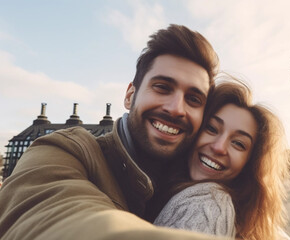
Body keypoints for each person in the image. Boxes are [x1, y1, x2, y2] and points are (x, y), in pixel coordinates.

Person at [0, 24, 227, 240]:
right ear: (129, 96)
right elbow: (51, 218)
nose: (176, 108)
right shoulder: (66, 151)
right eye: (162, 88)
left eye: (194, 99)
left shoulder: (200, 185)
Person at [149, 80, 290, 239]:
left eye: (238, 144)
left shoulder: (206, 206)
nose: (219, 147)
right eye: (211, 129)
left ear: (250, 163)